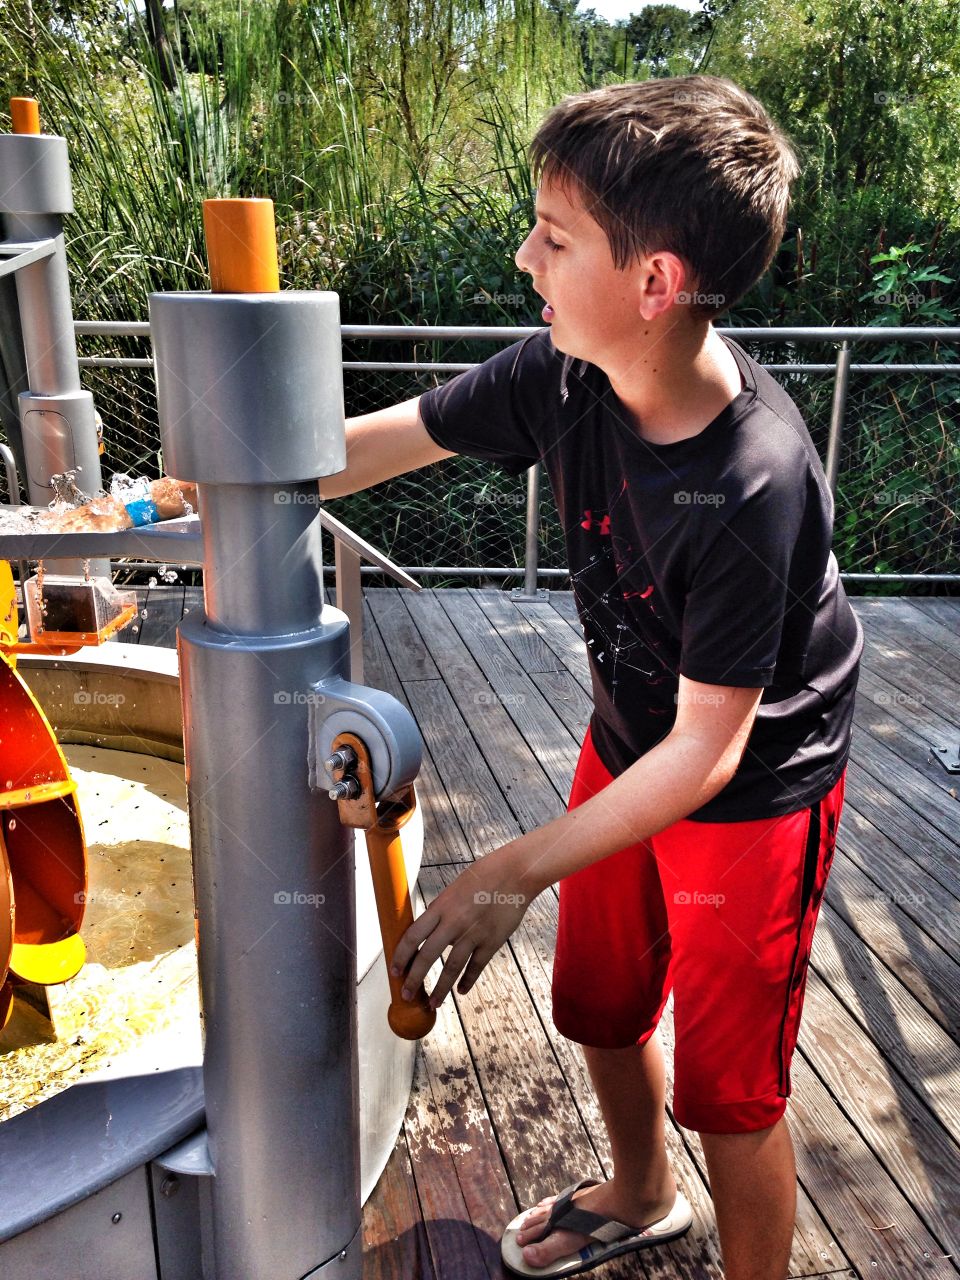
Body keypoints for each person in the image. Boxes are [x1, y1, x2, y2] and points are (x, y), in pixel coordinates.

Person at [322, 74, 864, 1280]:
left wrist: (513, 867)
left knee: (733, 1089)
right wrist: (226, 479)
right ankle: (638, 1186)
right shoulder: (564, 374)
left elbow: (710, 752)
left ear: (655, 284)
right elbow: (389, 439)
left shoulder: (756, 480)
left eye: (554, 238)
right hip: (633, 735)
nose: (524, 258)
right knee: (600, 1003)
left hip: (753, 785)